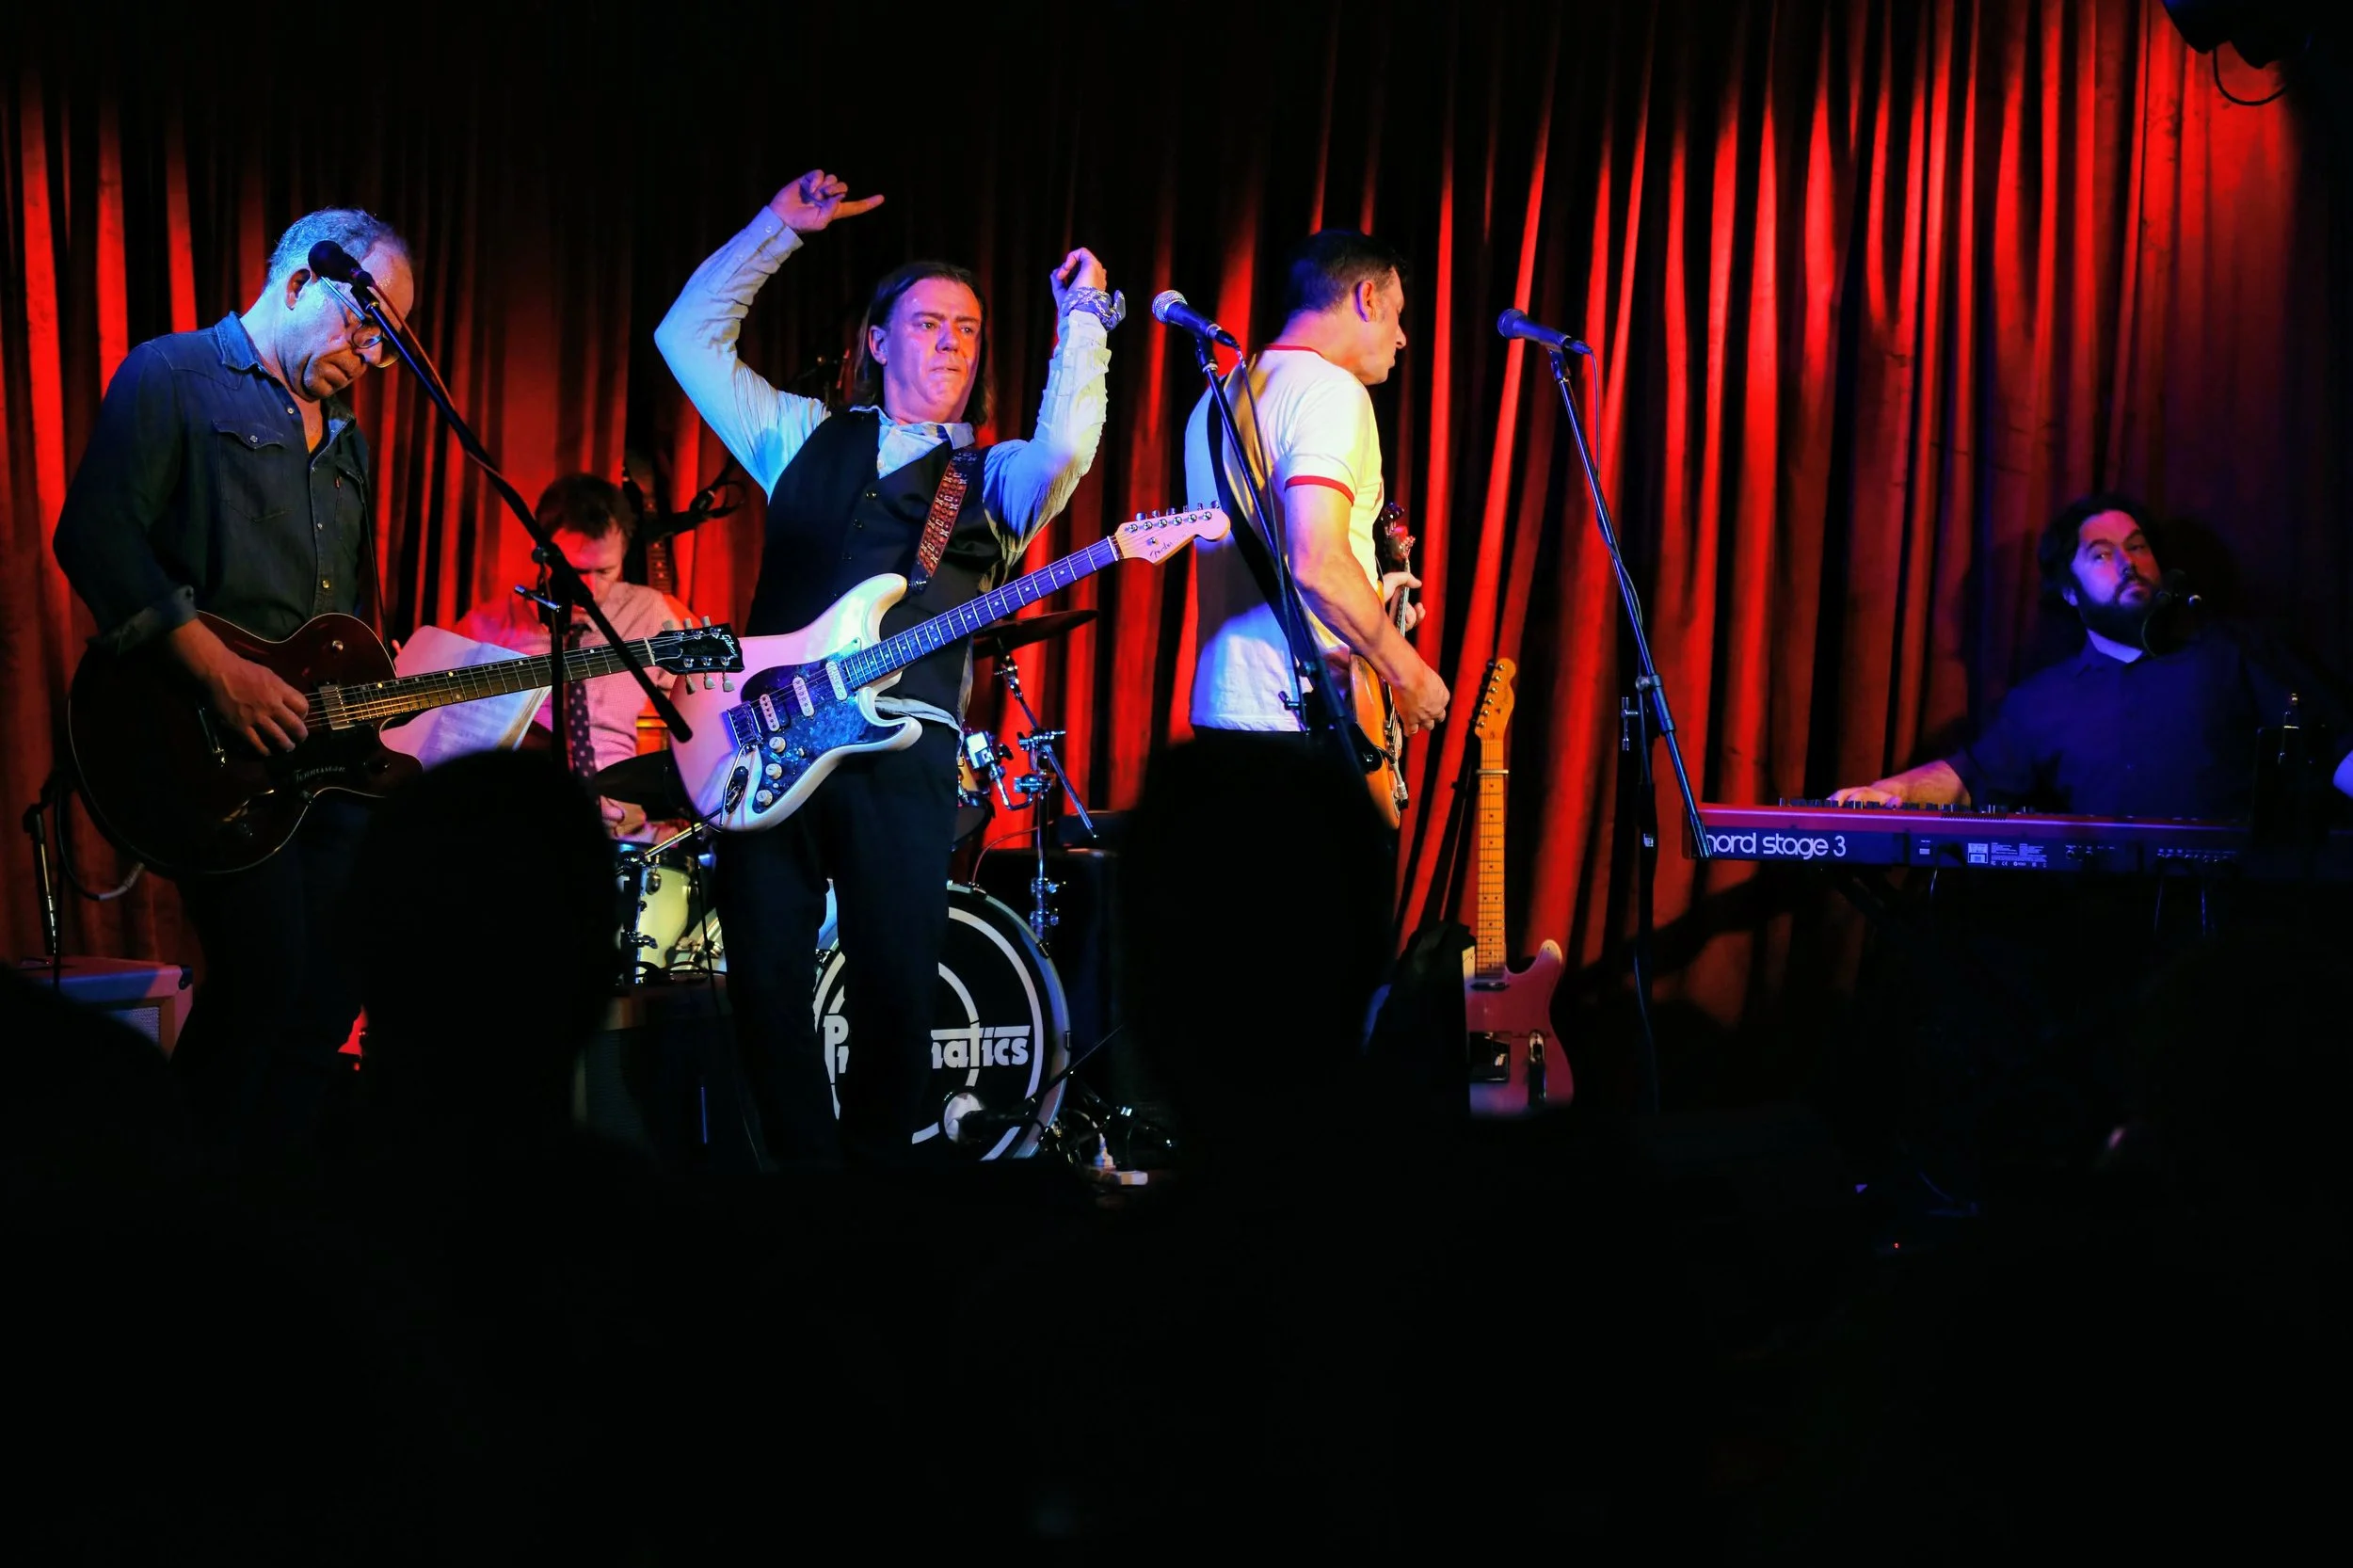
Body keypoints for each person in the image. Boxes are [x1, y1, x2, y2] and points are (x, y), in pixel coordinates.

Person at [654, 168, 1115, 1166]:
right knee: (768, 980)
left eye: (967, 330)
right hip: (765, 745)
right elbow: (685, 340)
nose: (950, 343)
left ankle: (869, 1205)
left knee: (894, 991)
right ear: (874, 339)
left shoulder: (991, 476)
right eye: (928, 324)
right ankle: (804, 1191)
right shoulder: (800, 435)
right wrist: (776, 229)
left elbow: (1068, 444)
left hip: (903, 754)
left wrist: (1082, 320)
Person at [52, 207, 415, 1154]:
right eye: (364, 324)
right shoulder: (172, 375)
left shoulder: (348, 437)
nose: (374, 356)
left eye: (389, 342)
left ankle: (265, 1208)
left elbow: (343, 616)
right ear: (298, 283)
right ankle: (174, 1208)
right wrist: (220, 673)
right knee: (265, 979)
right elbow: (94, 532)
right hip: (209, 741)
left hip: (318, 756)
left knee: (333, 984)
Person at [1833, 493, 2353, 817]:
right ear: (2068, 591)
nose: (2128, 563)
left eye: (2138, 546)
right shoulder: (2041, 701)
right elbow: (1969, 778)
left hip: (2244, 931)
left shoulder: (2236, 653)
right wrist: (1886, 793)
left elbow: (2338, 752)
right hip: (2100, 942)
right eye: (2102, 554)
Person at [1185, 230, 1447, 760]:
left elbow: (1277, 563)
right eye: (1397, 313)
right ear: (1366, 299)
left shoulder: (1219, 397)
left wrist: (1369, 600)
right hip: (1297, 722)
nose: (1401, 338)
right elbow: (1318, 565)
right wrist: (1410, 674)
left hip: (1223, 710)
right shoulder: (1330, 392)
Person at [452, 472, 700, 840]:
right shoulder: (486, 626)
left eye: (606, 571)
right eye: (576, 570)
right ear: (543, 552)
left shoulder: (653, 612)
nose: (590, 588)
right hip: (522, 823)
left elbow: (710, 701)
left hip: (622, 824)